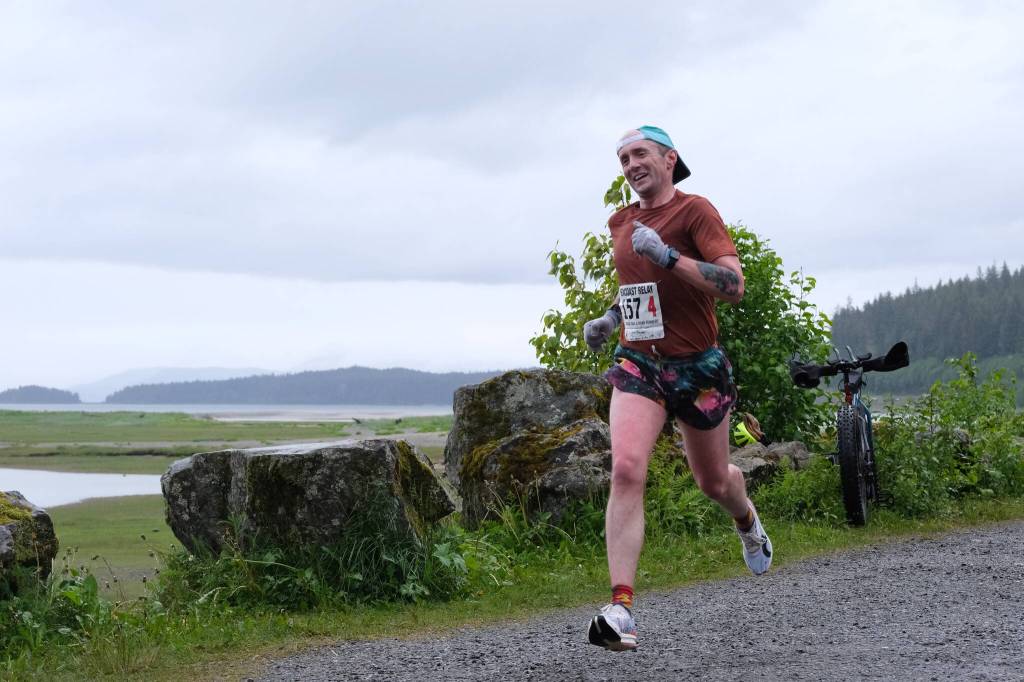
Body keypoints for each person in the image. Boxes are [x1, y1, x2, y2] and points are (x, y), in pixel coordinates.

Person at [584, 126, 772, 652]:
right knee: (625, 468)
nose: (629, 164)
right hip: (640, 363)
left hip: (699, 368)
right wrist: (609, 317)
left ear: (669, 159)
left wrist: (669, 256)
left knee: (714, 482)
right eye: (622, 158)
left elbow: (733, 286)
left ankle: (747, 519)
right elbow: (641, 292)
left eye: (639, 153)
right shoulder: (622, 222)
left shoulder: (695, 212)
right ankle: (621, 610)